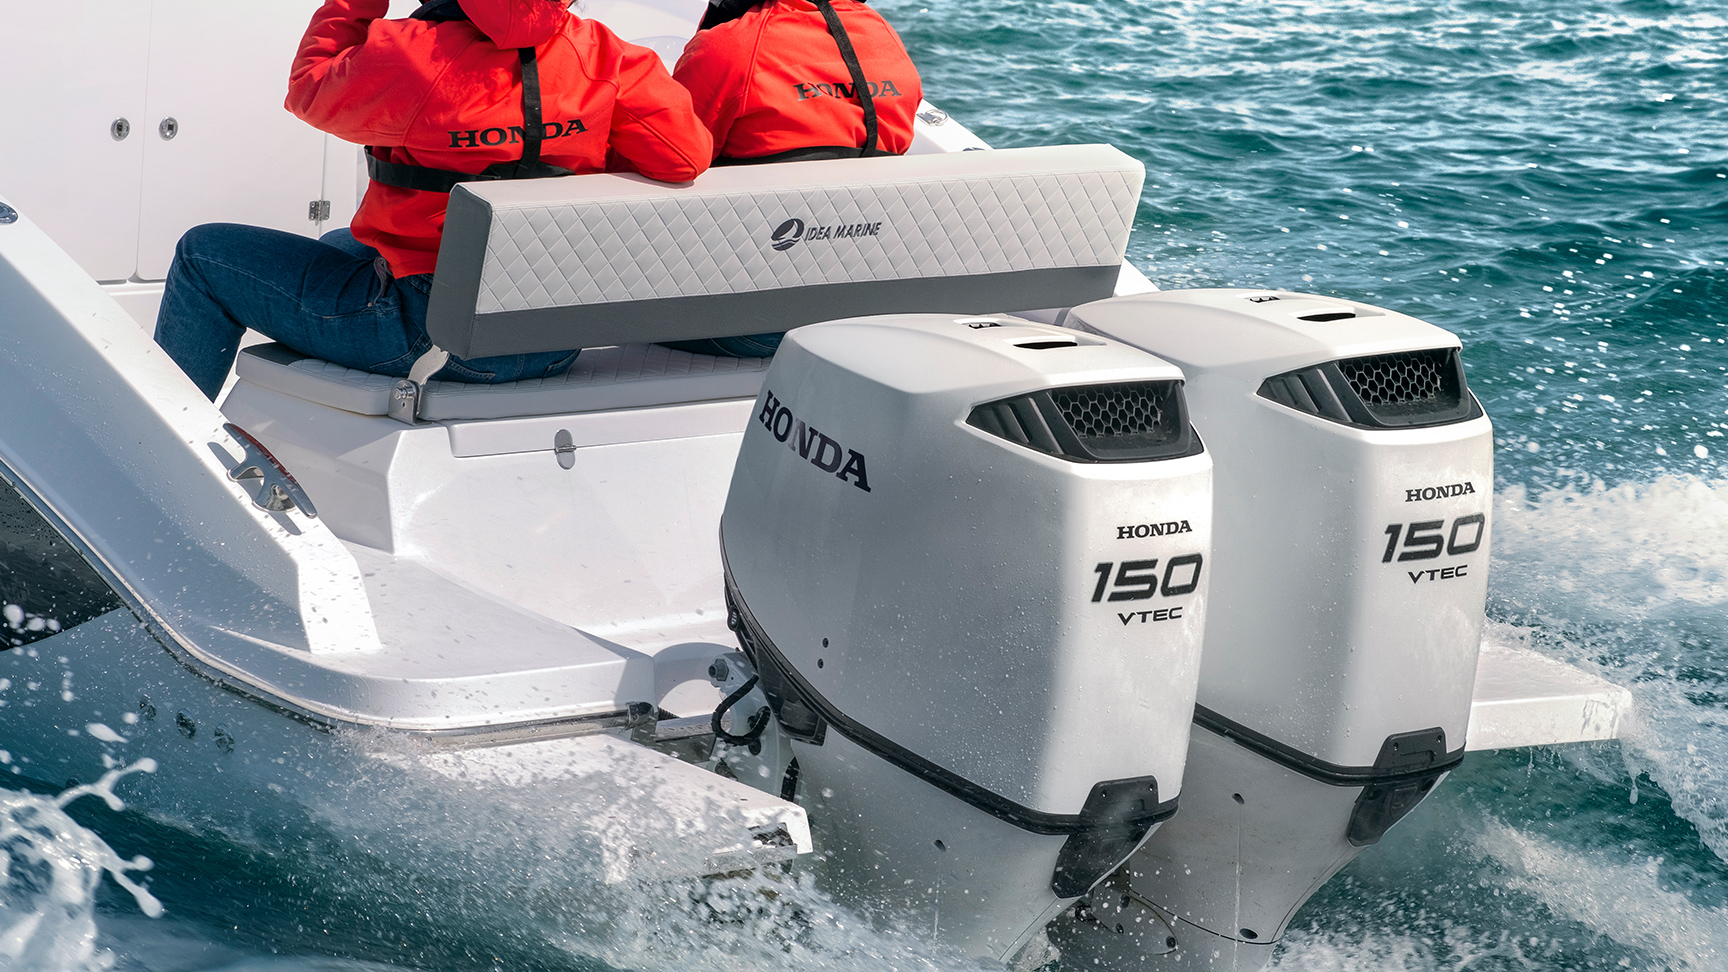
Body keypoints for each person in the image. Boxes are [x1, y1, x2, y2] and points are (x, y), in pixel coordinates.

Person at [154, 0, 712, 401]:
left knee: (203, 254)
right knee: (338, 244)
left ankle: (158, 454)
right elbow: (684, 157)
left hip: (430, 336)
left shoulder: (410, 54)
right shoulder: (607, 54)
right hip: (552, 333)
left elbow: (308, 88)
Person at [658, 0, 923, 358]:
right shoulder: (881, 35)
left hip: (753, 325)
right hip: (862, 310)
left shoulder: (731, 47)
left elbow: (667, 159)